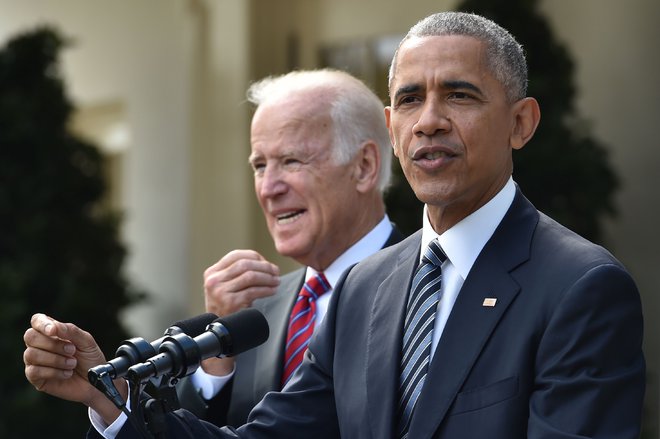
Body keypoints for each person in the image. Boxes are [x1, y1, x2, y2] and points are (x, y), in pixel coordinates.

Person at [24, 12, 645, 439]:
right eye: (408, 99)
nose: (428, 121)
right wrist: (110, 398)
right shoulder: (362, 290)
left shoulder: (580, 286)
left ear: (521, 123)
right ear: (391, 126)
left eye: (458, 95)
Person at [176, 69, 404, 426]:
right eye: (260, 166)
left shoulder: (429, 287)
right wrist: (217, 354)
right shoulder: (250, 312)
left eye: (291, 161)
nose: (268, 188)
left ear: (364, 167)